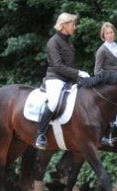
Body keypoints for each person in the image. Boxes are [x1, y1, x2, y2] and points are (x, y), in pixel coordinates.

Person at [35, 12, 90, 149]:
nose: (75, 27)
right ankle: (40, 135)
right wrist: (78, 73)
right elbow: (58, 66)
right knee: (53, 103)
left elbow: (68, 65)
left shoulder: (68, 42)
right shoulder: (53, 42)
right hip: (55, 78)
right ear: (64, 25)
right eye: (72, 24)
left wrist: (78, 76)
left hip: (68, 78)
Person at [94, 22, 117, 146]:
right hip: (108, 83)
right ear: (103, 35)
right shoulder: (101, 50)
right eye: (107, 33)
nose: (110, 35)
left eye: (111, 32)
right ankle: (107, 134)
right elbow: (97, 71)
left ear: (114, 33)